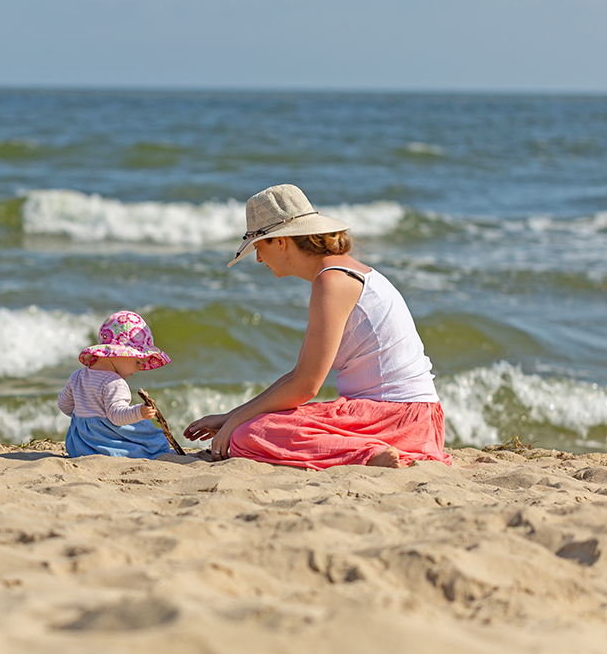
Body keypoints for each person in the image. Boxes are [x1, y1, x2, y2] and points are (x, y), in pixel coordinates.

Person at [183, 184, 452, 469]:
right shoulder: (341, 273)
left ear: (281, 241)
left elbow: (306, 386)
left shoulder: (332, 280)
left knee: (246, 436)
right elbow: (300, 376)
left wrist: (237, 422)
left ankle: (368, 454)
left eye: (260, 247)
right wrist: (231, 416)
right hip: (416, 418)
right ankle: (373, 451)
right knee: (245, 428)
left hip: (395, 417)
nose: (259, 259)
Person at [58, 310, 173, 459]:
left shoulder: (77, 376)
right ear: (119, 352)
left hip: (79, 445)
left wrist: (84, 417)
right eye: (138, 362)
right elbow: (116, 417)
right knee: (154, 437)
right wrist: (139, 412)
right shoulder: (114, 383)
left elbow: (63, 405)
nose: (138, 369)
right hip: (107, 444)